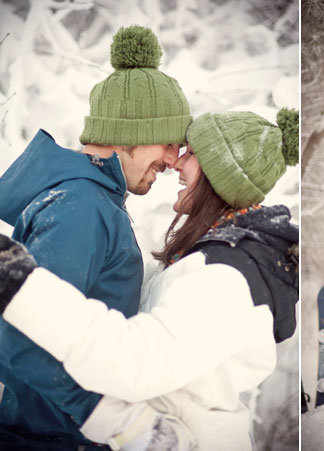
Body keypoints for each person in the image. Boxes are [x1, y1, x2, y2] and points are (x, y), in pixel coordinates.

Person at [0, 107, 299, 450]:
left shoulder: (228, 277)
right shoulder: (214, 257)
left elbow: (137, 362)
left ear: (221, 174)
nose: (179, 162)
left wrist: (23, 287)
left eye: (193, 153)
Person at [0, 25, 191, 449]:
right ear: (131, 131)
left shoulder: (94, 202)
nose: (173, 158)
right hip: (50, 438)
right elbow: (23, 329)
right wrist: (110, 417)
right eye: (168, 141)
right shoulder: (82, 209)